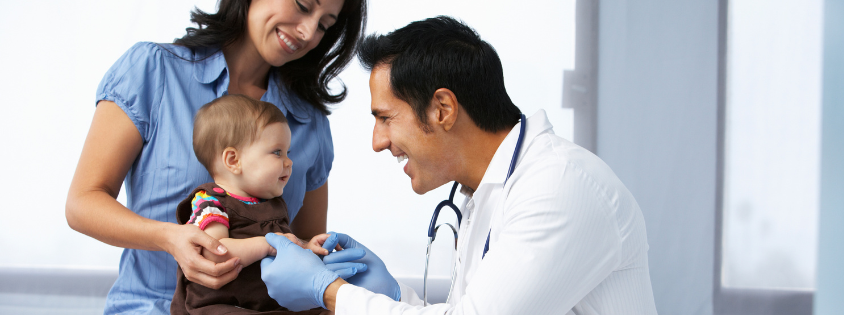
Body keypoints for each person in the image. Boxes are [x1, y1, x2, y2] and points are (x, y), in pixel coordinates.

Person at [259, 16, 659, 314]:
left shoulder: (561, 187)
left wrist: (329, 292)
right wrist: (391, 295)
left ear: (443, 109)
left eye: (385, 118)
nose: (378, 142)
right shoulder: (485, 192)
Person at [65, 0, 367, 313]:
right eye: (303, 5)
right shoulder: (154, 70)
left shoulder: (308, 121)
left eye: (324, 25)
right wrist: (170, 237)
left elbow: (302, 249)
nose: (307, 32)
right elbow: (82, 203)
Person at [171, 95, 360, 314]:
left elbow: (284, 248)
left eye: (288, 152)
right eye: (277, 152)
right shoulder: (210, 202)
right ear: (233, 160)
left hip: (270, 305)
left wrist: (305, 247)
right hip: (220, 305)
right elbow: (215, 251)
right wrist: (269, 244)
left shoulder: (273, 205)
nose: (289, 162)